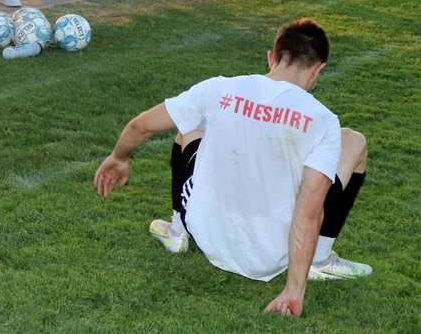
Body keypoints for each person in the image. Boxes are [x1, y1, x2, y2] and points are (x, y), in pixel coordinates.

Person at [94, 18, 371, 317]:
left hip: (207, 233)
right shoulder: (322, 119)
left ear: (271, 56)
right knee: (353, 141)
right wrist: (293, 290)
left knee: (189, 127)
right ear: (318, 70)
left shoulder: (218, 89)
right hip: (274, 252)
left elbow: (140, 126)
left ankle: (178, 231)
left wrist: (119, 158)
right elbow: (310, 210)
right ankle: (319, 258)